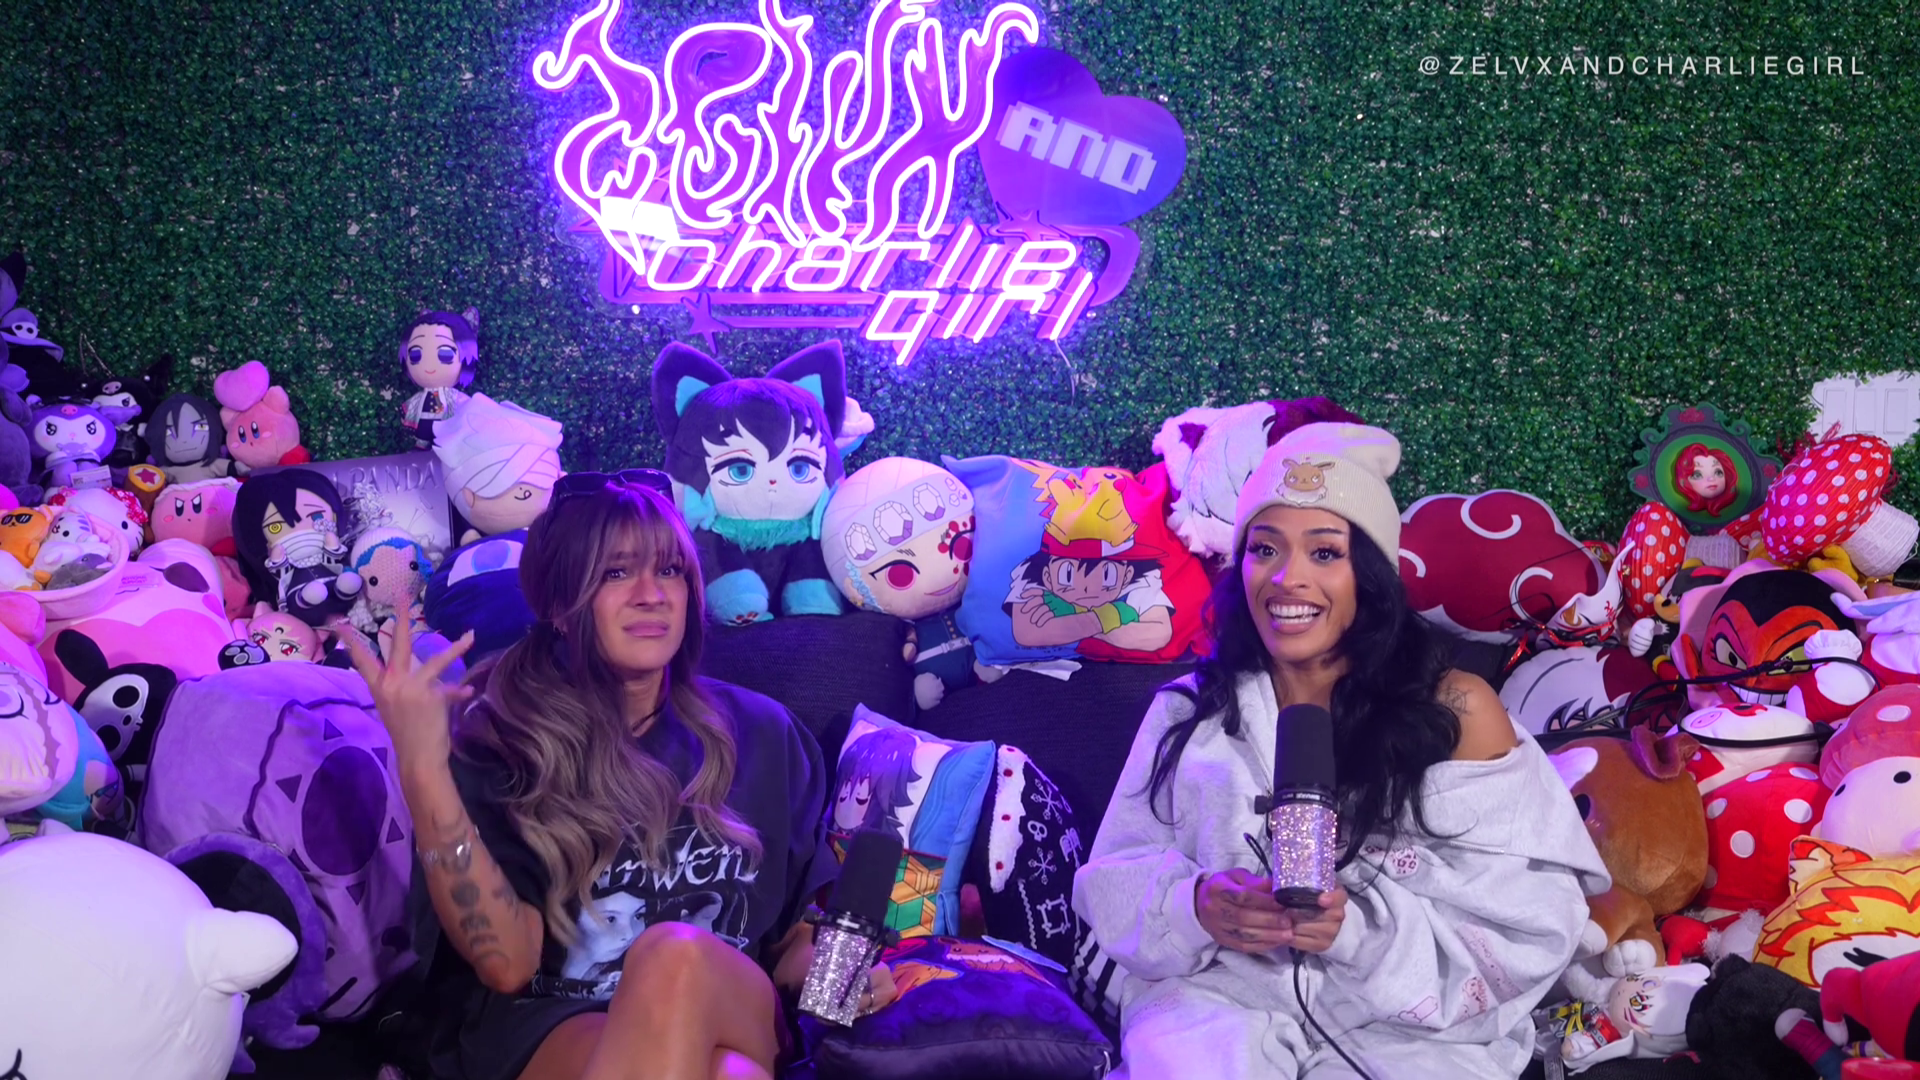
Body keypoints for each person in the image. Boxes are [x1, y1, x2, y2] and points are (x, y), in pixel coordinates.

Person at [1072, 423, 1609, 1079]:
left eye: (1324, 552)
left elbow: (1525, 919)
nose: (1287, 578)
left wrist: (1356, 930)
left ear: (1370, 575)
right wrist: (1196, 906)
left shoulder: (1456, 710)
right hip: (1219, 1003)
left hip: (1408, 1032)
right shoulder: (1190, 710)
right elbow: (1114, 877)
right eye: (1264, 549)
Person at [347, 472, 895, 1080]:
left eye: (670, 571)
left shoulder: (766, 735)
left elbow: (788, 942)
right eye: (615, 573)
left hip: (729, 1003)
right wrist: (423, 769)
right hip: (554, 1022)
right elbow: (507, 967)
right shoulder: (498, 746)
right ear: (559, 605)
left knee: (674, 959)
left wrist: (836, 975)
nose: (651, 594)